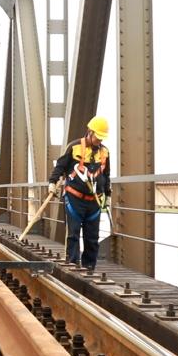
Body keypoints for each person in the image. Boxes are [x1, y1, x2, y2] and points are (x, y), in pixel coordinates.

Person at [48, 115, 111, 270]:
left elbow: (106, 175)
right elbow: (61, 166)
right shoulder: (74, 147)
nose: (99, 141)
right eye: (98, 137)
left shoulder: (104, 152)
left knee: (92, 238)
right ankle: (73, 266)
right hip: (74, 199)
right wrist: (52, 182)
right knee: (73, 234)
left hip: (94, 201)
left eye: (102, 138)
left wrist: (108, 195)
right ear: (90, 132)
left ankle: (89, 268)